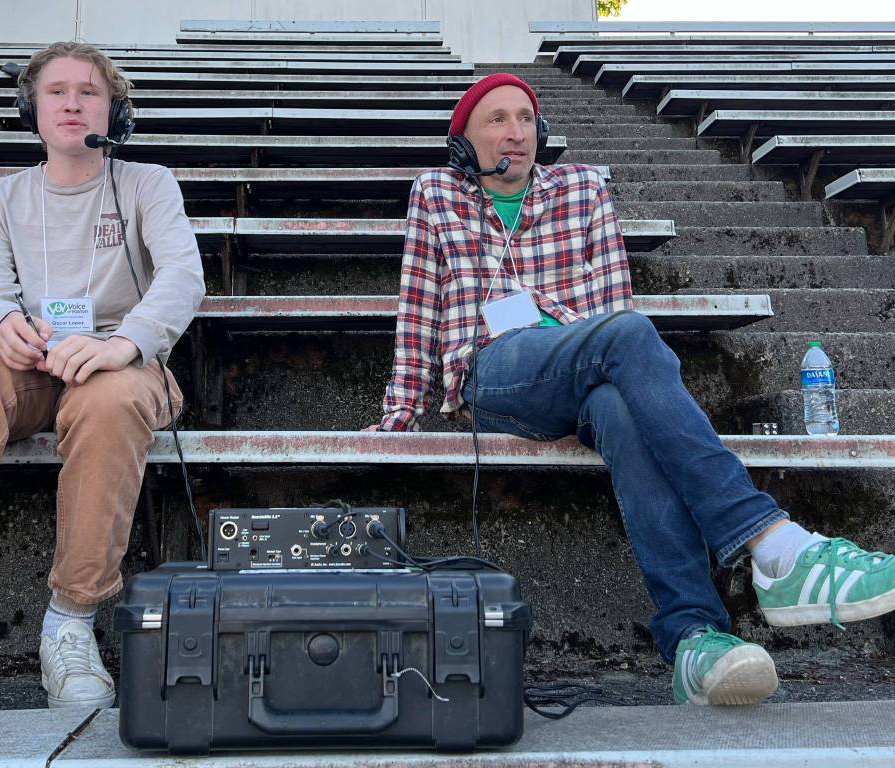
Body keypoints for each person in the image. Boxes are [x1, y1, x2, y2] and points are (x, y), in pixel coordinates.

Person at [368, 72, 895, 706]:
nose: (516, 132)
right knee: (626, 335)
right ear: (464, 142)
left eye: (526, 118)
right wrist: (401, 412)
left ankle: (695, 641)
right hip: (493, 370)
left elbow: (614, 304)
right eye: (497, 120)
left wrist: (580, 336)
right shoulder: (437, 193)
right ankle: (773, 544)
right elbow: (419, 307)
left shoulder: (582, 188)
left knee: (621, 405)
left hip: (589, 368)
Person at [0, 42, 204, 715]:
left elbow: (182, 275)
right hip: (31, 364)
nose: (72, 103)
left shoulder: (148, 183)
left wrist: (125, 344)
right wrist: (4, 325)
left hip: (121, 363)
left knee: (110, 401)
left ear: (114, 111)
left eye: (89, 91)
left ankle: (69, 628)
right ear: (32, 108)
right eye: (56, 91)